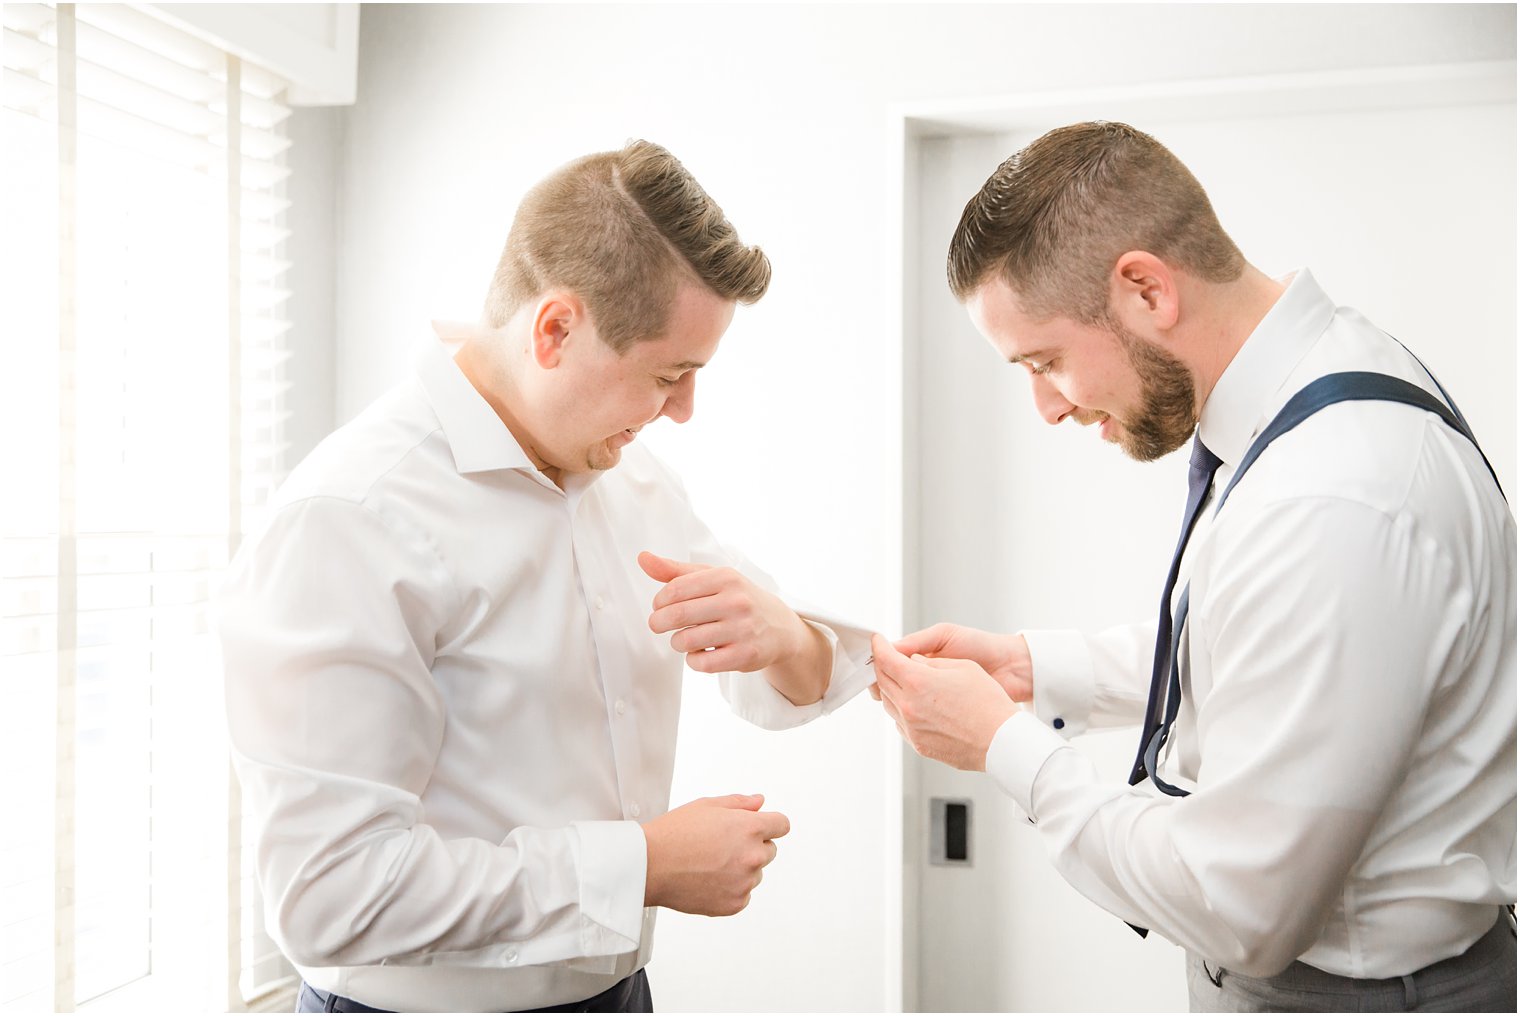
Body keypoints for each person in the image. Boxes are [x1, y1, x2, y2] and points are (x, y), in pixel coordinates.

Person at [870, 121, 1516, 1012]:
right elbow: (1261, 644)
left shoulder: (1329, 498)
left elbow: (1244, 905)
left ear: (1145, 288)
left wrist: (1004, 748)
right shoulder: (1319, 381)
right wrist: (1031, 668)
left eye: (1045, 361)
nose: (1047, 408)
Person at [217, 140, 871, 1014]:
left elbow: (794, 668)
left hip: (619, 993)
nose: (681, 411)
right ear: (555, 328)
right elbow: (331, 897)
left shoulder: (631, 480)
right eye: (669, 376)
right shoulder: (347, 521)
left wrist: (785, 634)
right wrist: (645, 864)